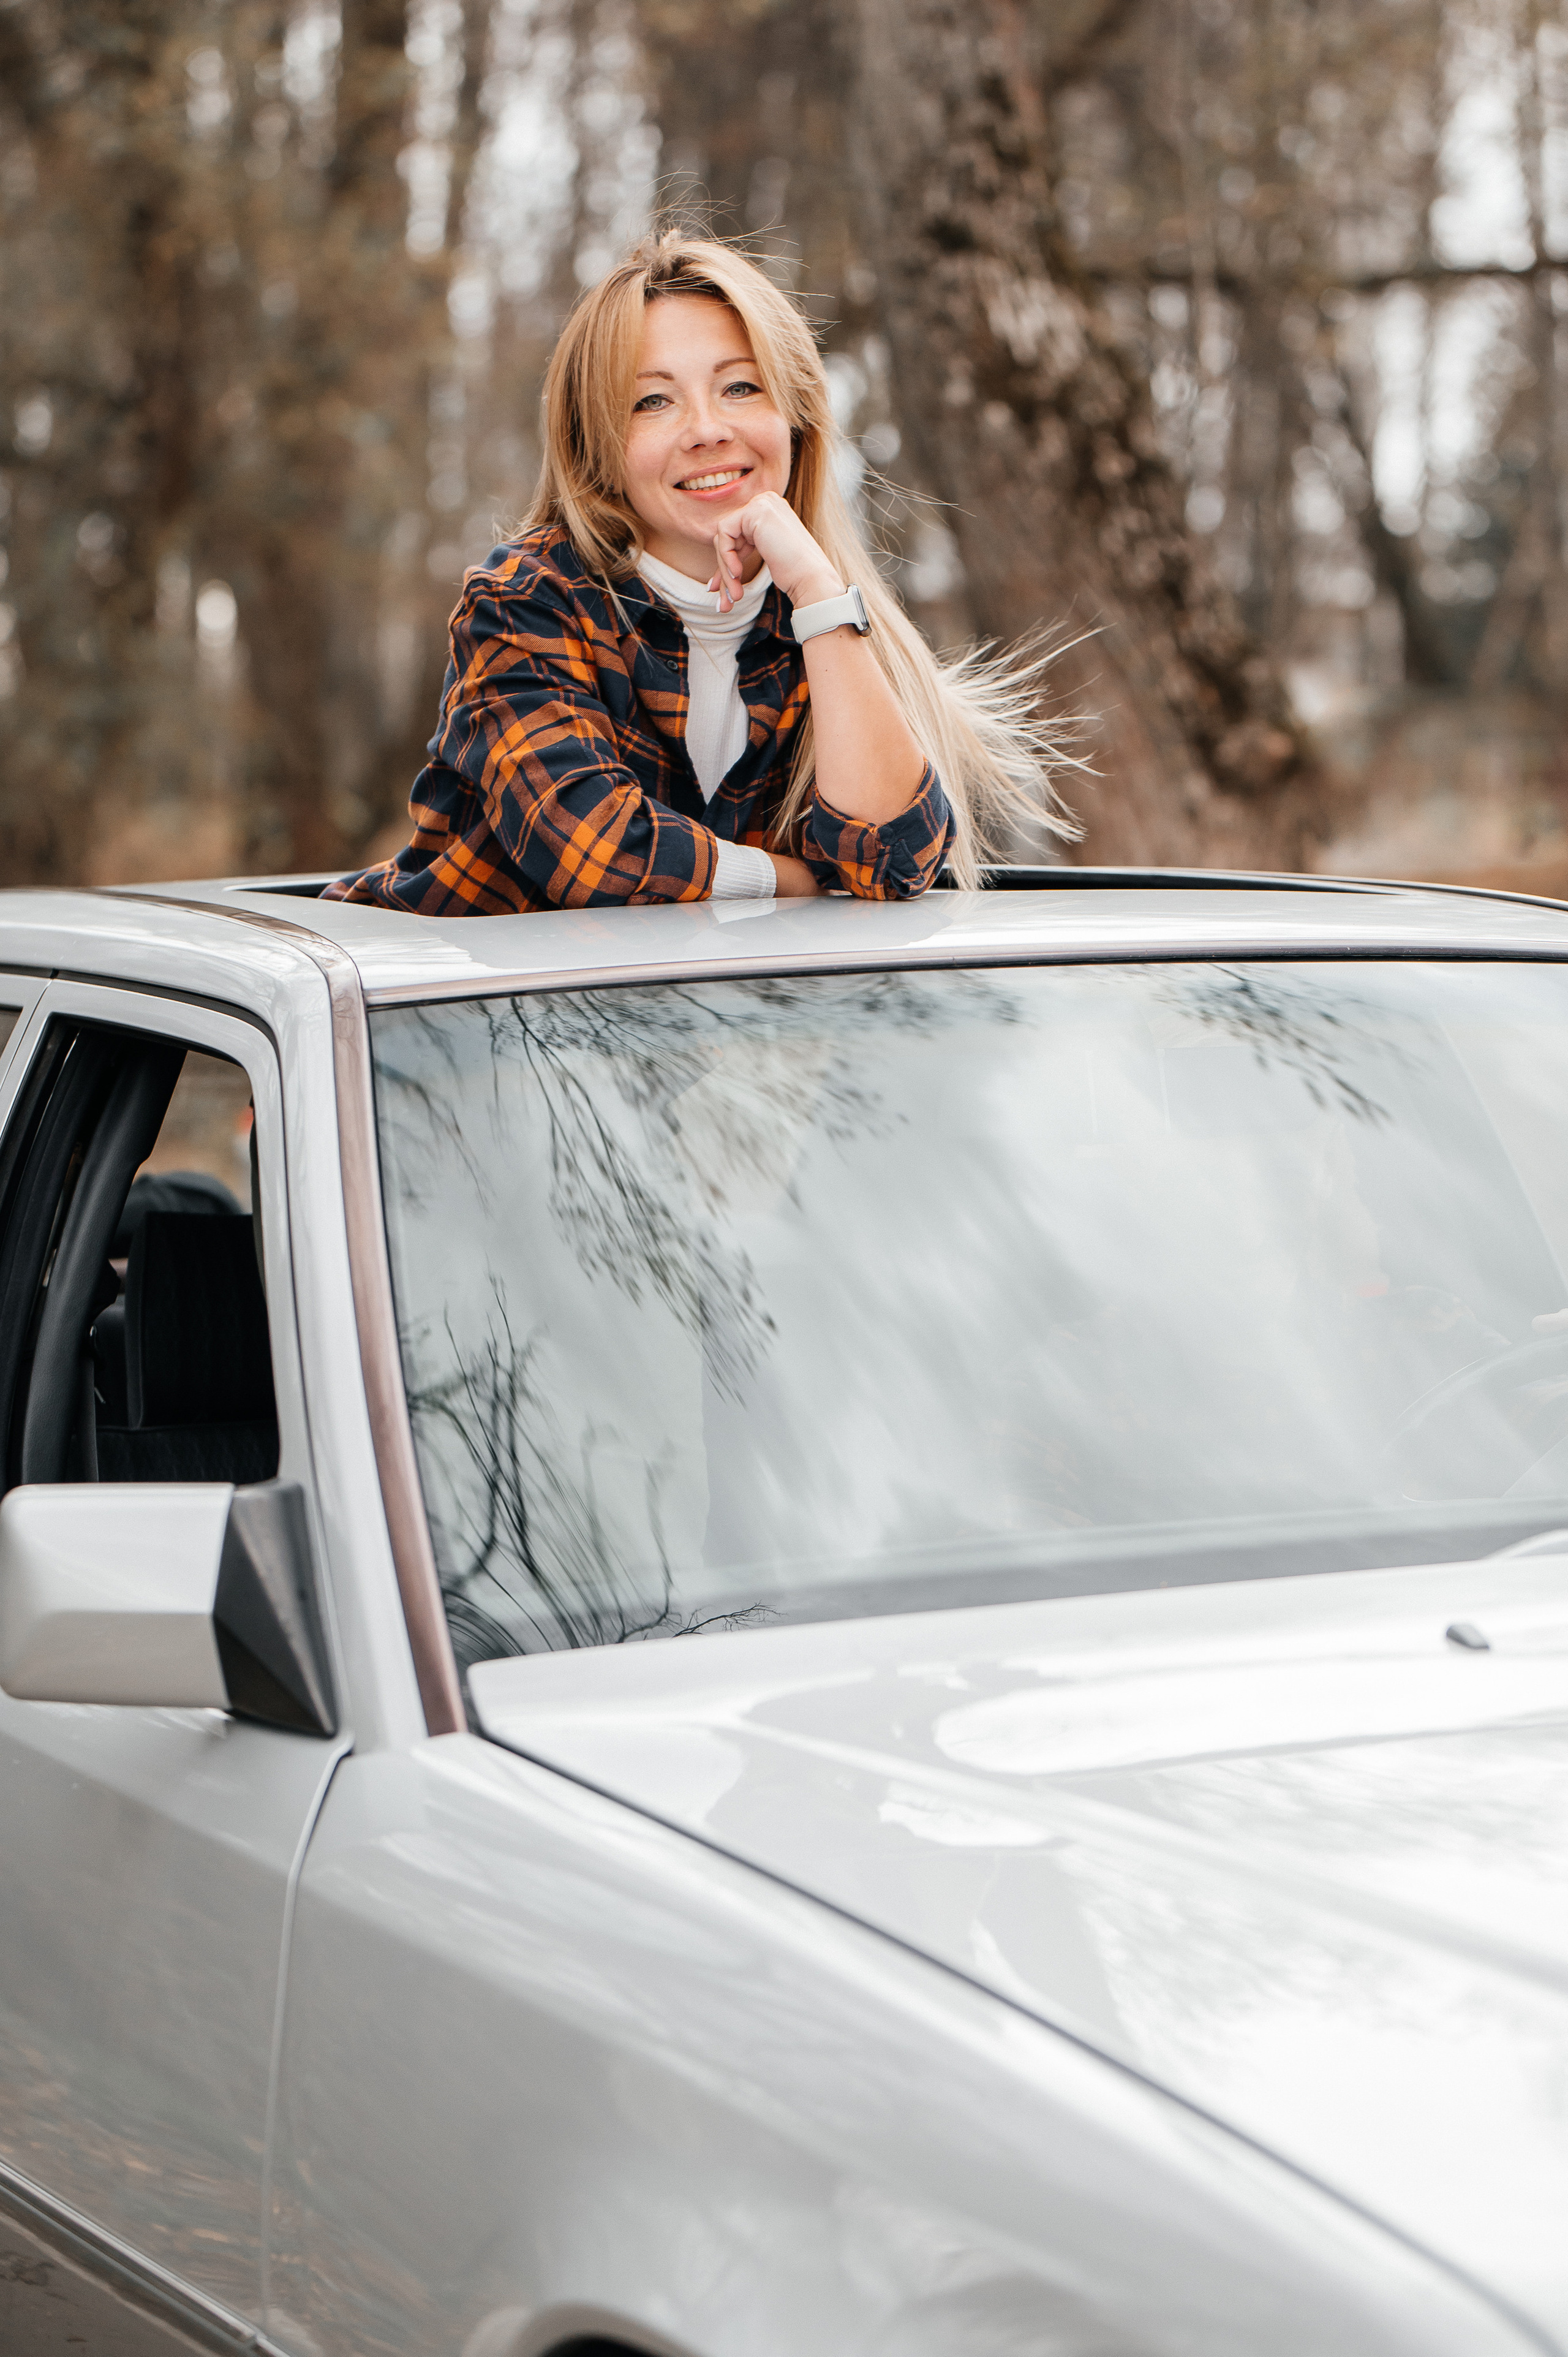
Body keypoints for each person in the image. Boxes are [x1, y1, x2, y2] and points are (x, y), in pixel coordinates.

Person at [328, 230, 1076, 917]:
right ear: (597, 447)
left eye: (740, 387)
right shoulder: (527, 601)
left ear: (796, 416)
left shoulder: (819, 623)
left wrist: (816, 593)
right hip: (459, 1037)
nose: (707, 429)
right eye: (652, 401)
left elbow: (893, 863)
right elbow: (600, 858)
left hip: (696, 1047)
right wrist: (795, 879)